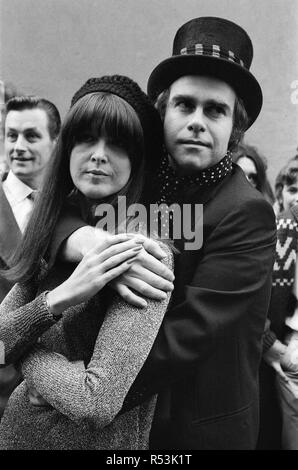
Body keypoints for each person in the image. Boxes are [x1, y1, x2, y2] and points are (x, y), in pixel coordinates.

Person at [49, 17, 276, 449]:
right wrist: (82, 240)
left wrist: (81, 385)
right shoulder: (140, 180)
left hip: (194, 425)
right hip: (116, 423)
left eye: (215, 110)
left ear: (236, 127)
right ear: (162, 110)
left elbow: (193, 332)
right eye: (185, 105)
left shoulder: (248, 212)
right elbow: (60, 209)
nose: (196, 121)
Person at [0, 75, 174, 450]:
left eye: (118, 144)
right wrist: (55, 301)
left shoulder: (143, 251)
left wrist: (20, 346)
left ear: (137, 162)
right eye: (85, 138)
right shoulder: (53, 235)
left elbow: (94, 402)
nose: (98, 154)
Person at [0, 95, 61, 418]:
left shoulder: (73, 209)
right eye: (12, 135)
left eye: (31, 136)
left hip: (61, 399)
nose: (18, 146)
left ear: (56, 141)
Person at [261, 163, 298, 449]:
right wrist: (269, 342)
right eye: (293, 190)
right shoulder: (281, 228)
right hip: (286, 350)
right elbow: (251, 298)